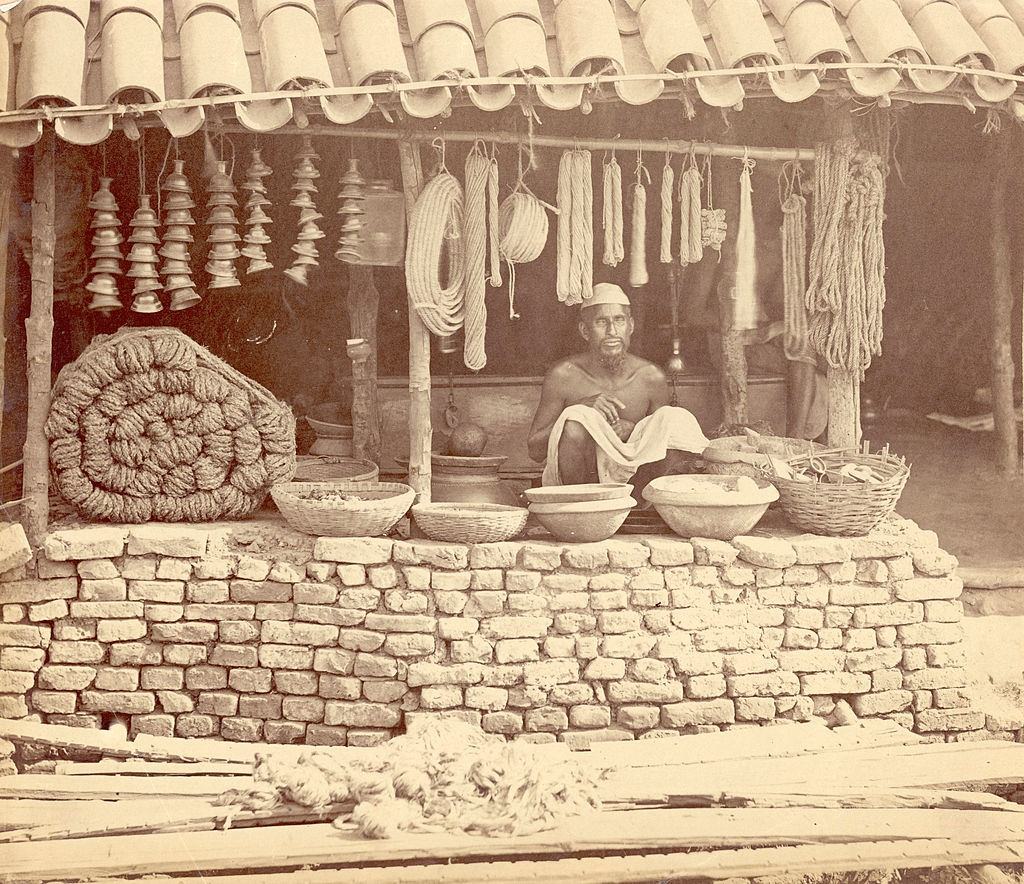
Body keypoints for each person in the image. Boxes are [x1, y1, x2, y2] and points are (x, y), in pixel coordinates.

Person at [528, 283, 708, 487]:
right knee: (575, 423)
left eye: (619, 320)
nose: (612, 331)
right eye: (601, 322)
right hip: (584, 490)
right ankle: (582, 509)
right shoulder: (563, 376)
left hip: (636, 489)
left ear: (630, 326)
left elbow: (666, 445)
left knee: (674, 417)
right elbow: (534, 450)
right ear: (585, 330)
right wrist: (577, 410)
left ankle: (651, 509)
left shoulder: (650, 377)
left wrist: (634, 431)